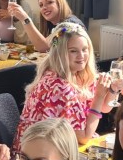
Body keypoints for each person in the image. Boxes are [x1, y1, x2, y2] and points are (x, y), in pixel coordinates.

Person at [15, 22, 117, 150]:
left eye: (85, 49)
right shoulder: (60, 87)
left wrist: (113, 90)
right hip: (39, 152)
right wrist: (99, 96)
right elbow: (84, 138)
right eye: (73, 51)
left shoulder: (75, 74)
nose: (81, 56)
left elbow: (104, 108)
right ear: (59, 53)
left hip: (56, 146)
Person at [11, 0, 84, 52]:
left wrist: (25, 19)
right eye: (41, 5)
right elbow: (46, 43)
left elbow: (45, 48)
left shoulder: (68, 27)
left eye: (49, 2)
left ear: (60, 4)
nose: (44, 7)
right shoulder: (52, 24)